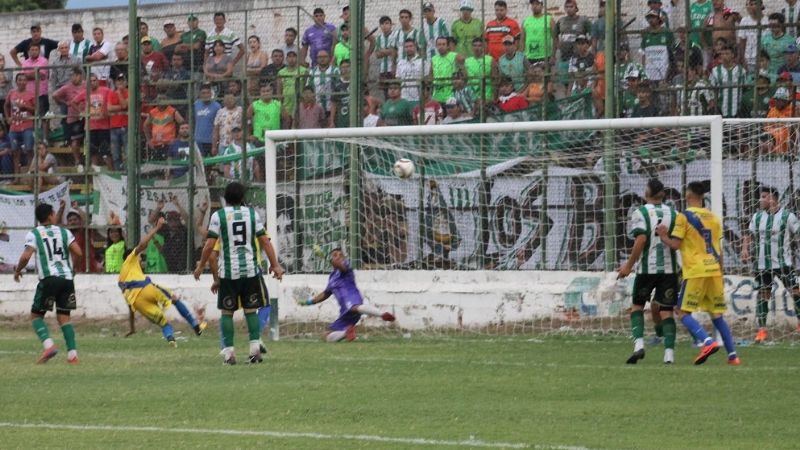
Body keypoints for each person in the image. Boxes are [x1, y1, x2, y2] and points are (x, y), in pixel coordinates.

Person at [194, 181, 284, 364]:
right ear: (243, 198)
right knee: (251, 310)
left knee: (227, 312)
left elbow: (210, 244)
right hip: (250, 270)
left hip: (229, 272)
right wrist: (275, 265)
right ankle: (254, 351)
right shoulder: (252, 214)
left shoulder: (218, 216)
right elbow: (265, 241)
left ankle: (229, 354)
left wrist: (200, 265)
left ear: (225, 198)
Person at [656, 181, 740, 365]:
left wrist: (663, 237)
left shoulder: (684, 216)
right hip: (715, 270)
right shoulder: (714, 218)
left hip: (696, 270)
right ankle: (733, 356)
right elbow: (719, 249)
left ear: (687, 195)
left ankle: (707, 341)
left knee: (681, 311)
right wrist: (721, 272)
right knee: (716, 314)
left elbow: (676, 245)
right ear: (702, 197)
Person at [617, 179, 679, 364]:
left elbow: (641, 239)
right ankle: (669, 355)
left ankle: (639, 346)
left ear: (647, 193)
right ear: (663, 195)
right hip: (669, 270)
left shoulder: (640, 212)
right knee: (667, 311)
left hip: (646, 269)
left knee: (637, 306)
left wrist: (628, 265)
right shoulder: (674, 214)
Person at [120, 217, 206, 344]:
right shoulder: (130, 259)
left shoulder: (121, 277)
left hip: (137, 302)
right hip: (146, 288)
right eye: (139, 257)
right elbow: (142, 244)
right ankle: (195, 325)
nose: (140, 259)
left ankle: (170, 338)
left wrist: (132, 328)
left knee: (164, 323)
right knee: (174, 299)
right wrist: (157, 228)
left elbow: (129, 303)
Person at [14, 202, 82, 364]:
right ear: (51, 215)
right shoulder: (65, 232)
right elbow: (78, 252)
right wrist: (71, 269)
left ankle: (49, 346)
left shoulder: (34, 234)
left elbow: (25, 257)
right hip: (66, 279)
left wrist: (18, 271)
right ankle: (72, 355)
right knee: (64, 316)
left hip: (49, 279)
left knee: (36, 315)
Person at [297, 248, 395, 342]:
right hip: (344, 311)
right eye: (335, 255)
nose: (338, 257)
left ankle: (382, 314)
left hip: (353, 299)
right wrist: (308, 302)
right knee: (326, 335)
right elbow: (325, 294)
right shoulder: (332, 277)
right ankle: (346, 333)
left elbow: (341, 266)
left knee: (354, 307)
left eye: (341, 255)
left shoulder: (345, 266)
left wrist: (327, 257)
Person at [741, 187, 800, 342]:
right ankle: (762, 330)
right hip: (762, 265)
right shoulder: (757, 216)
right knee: (763, 296)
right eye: (760, 196)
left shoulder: (788, 216)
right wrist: (745, 249)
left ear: (773, 199)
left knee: (795, 292)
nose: (760, 200)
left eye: (764, 196)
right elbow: (749, 234)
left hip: (784, 263)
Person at [555, 0, 591, 92]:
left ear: (576, 8)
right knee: (566, 82)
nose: (569, 9)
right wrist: (558, 46)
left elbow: (591, 36)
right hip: (564, 57)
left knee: (580, 82)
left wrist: (587, 49)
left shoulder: (583, 20)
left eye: (571, 7)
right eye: (567, 7)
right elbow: (554, 35)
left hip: (579, 57)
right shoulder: (561, 21)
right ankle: (568, 101)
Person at [5, 73, 35, 178]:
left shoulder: (31, 94)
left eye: (24, 80)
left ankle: (31, 175)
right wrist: (8, 118)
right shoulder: (11, 93)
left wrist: (25, 107)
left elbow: (36, 110)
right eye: (20, 80)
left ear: (27, 82)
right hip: (14, 128)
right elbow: (6, 105)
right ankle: (17, 177)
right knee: (15, 151)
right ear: (16, 82)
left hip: (27, 126)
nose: (22, 82)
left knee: (29, 150)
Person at [708, 43, 746, 118]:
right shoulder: (715, 71)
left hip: (737, 109)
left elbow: (744, 89)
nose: (724, 56)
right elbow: (712, 89)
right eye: (722, 54)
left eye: (727, 53)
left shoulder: (741, 71)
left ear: (733, 55)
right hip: (720, 110)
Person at [144, 94, 184, 161]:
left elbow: (182, 122)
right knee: (157, 165)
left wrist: (178, 139)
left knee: (169, 163)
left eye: (163, 99)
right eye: (159, 100)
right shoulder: (153, 112)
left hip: (169, 143)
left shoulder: (172, 111)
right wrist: (149, 140)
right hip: (156, 144)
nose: (161, 101)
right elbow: (145, 125)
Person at [522, 0, 557, 65]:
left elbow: (555, 39)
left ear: (542, 6)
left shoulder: (549, 19)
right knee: (531, 75)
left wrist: (553, 56)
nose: (534, 6)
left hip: (545, 57)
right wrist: (522, 57)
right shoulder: (526, 21)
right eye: (532, 4)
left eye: (537, 4)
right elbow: (522, 40)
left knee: (545, 75)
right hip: (529, 57)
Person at [738, 0, 768, 73]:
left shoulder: (767, 21)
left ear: (761, 5)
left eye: (754, 4)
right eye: (749, 4)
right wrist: (743, 60)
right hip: (749, 61)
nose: (751, 7)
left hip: (763, 61)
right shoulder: (744, 21)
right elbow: (742, 42)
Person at [464, 38, 496, 103]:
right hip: (472, 97)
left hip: (487, 96)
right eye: (475, 45)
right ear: (472, 47)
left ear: (483, 47)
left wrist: (494, 96)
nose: (477, 48)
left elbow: (494, 79)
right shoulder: (467, 61)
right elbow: (465, 80)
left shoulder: (490, 59)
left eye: (479, 45)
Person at [277, 50, 307, 118]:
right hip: (286, 103)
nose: (291, 59)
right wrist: (281, 106)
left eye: (294, 56)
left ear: (297, 58)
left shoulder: (304, 71)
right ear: (286, 59)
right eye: (289, 57)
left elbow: (306, 87)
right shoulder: (281, 72)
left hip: (300, 102)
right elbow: (279, 91)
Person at [763, 13, 795, 78]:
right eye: (770, 25)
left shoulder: (789, 40)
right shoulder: (765, 39)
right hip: (768, 73)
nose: (772, 28)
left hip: (784, 73)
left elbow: (793, 59)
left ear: (781, 25)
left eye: (774, 25)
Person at [306, 49, 338, 114]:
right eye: (320, 57)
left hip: (331, 108)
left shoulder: (335, 71)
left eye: (324, 57)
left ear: (329, 58)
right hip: (316, 108)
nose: (322, 59)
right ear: (317, 59)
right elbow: (308, 88)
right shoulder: (312, 72)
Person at [193, 84, 221, 156]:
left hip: (211, 140)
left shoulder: (217, 106)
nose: (206, 95)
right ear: (200, 94)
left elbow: (219, 124)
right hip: (198, 139)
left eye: (208, 93)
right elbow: (192, 120)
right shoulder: (196, 104)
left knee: (211, 164)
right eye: (203, 93)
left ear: (211, 94)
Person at [431, 36, 458, 104]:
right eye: (439, 44)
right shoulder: (434, 59)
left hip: (450, 96)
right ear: (436, 46)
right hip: (436, 96)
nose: (441, 46)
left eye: (443, 44)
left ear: (448, 46)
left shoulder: (454, 56)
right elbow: (431, 75)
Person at [330, 59, 351, 128]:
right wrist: (332, 121)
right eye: (343, 67)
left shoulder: (357, 82)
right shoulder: (336, 84)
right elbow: (333, 104)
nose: (345, 69)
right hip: (341, 117)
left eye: (347, 66)